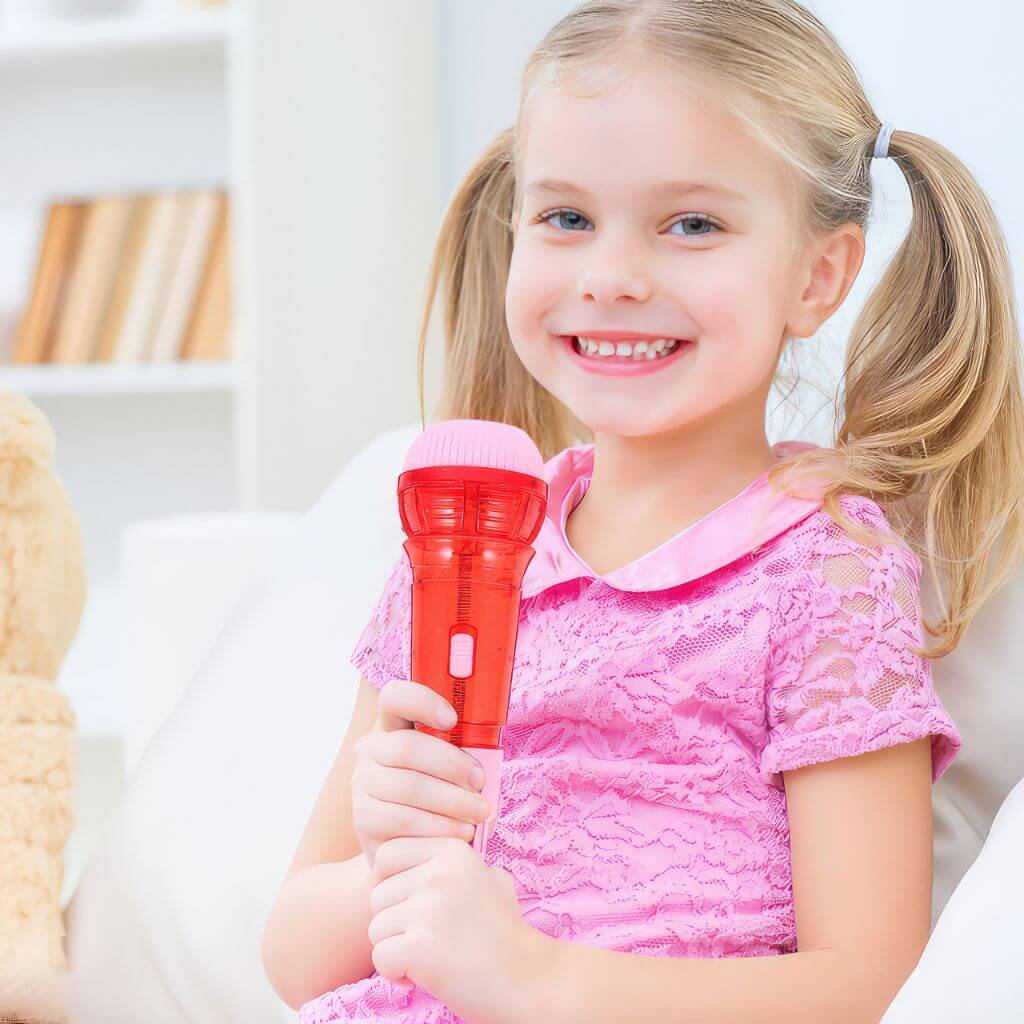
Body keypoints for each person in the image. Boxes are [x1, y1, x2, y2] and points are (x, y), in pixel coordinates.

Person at [261, 2, 1024, 1021]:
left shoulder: (823, 571)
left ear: (818, 274)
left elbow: (866, 985)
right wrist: (393, 865)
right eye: (565, 217)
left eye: (691, 224)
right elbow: (291, 956)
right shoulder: (467, 547)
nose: (611, 277)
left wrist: (530, 976)